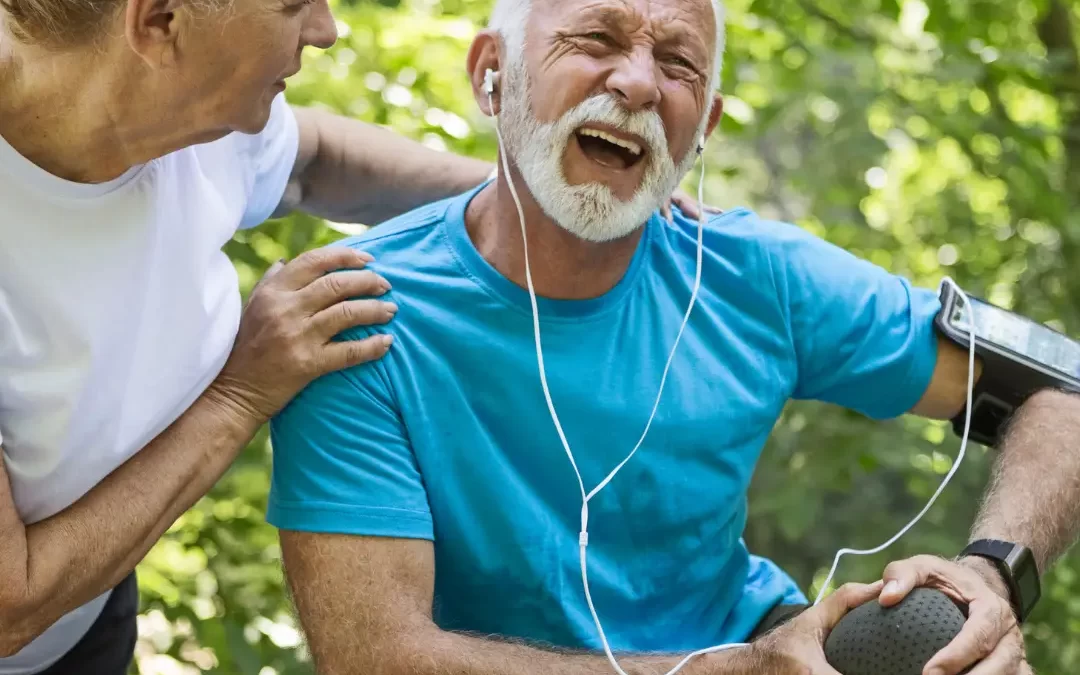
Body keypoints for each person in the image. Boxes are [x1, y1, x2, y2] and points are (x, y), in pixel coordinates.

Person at [265, 0, 1056, 673]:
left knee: (947, 636)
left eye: (678, 64)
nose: (639, 83)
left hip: (756, 645)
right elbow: (381, 656)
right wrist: (736, 671)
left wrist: (992, 573)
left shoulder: (754, 271)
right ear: (490, 74)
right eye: (596, 40)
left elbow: (1059, 390)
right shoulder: (355, 309)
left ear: (702, 125)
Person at [0, 0, 705, 673]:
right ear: (159, 21)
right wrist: (242, 394)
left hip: (86, 625)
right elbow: (11, 602)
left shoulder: (190, 113)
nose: (326, 29)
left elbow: (317, 161)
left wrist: (544, 197)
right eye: (292, 6)